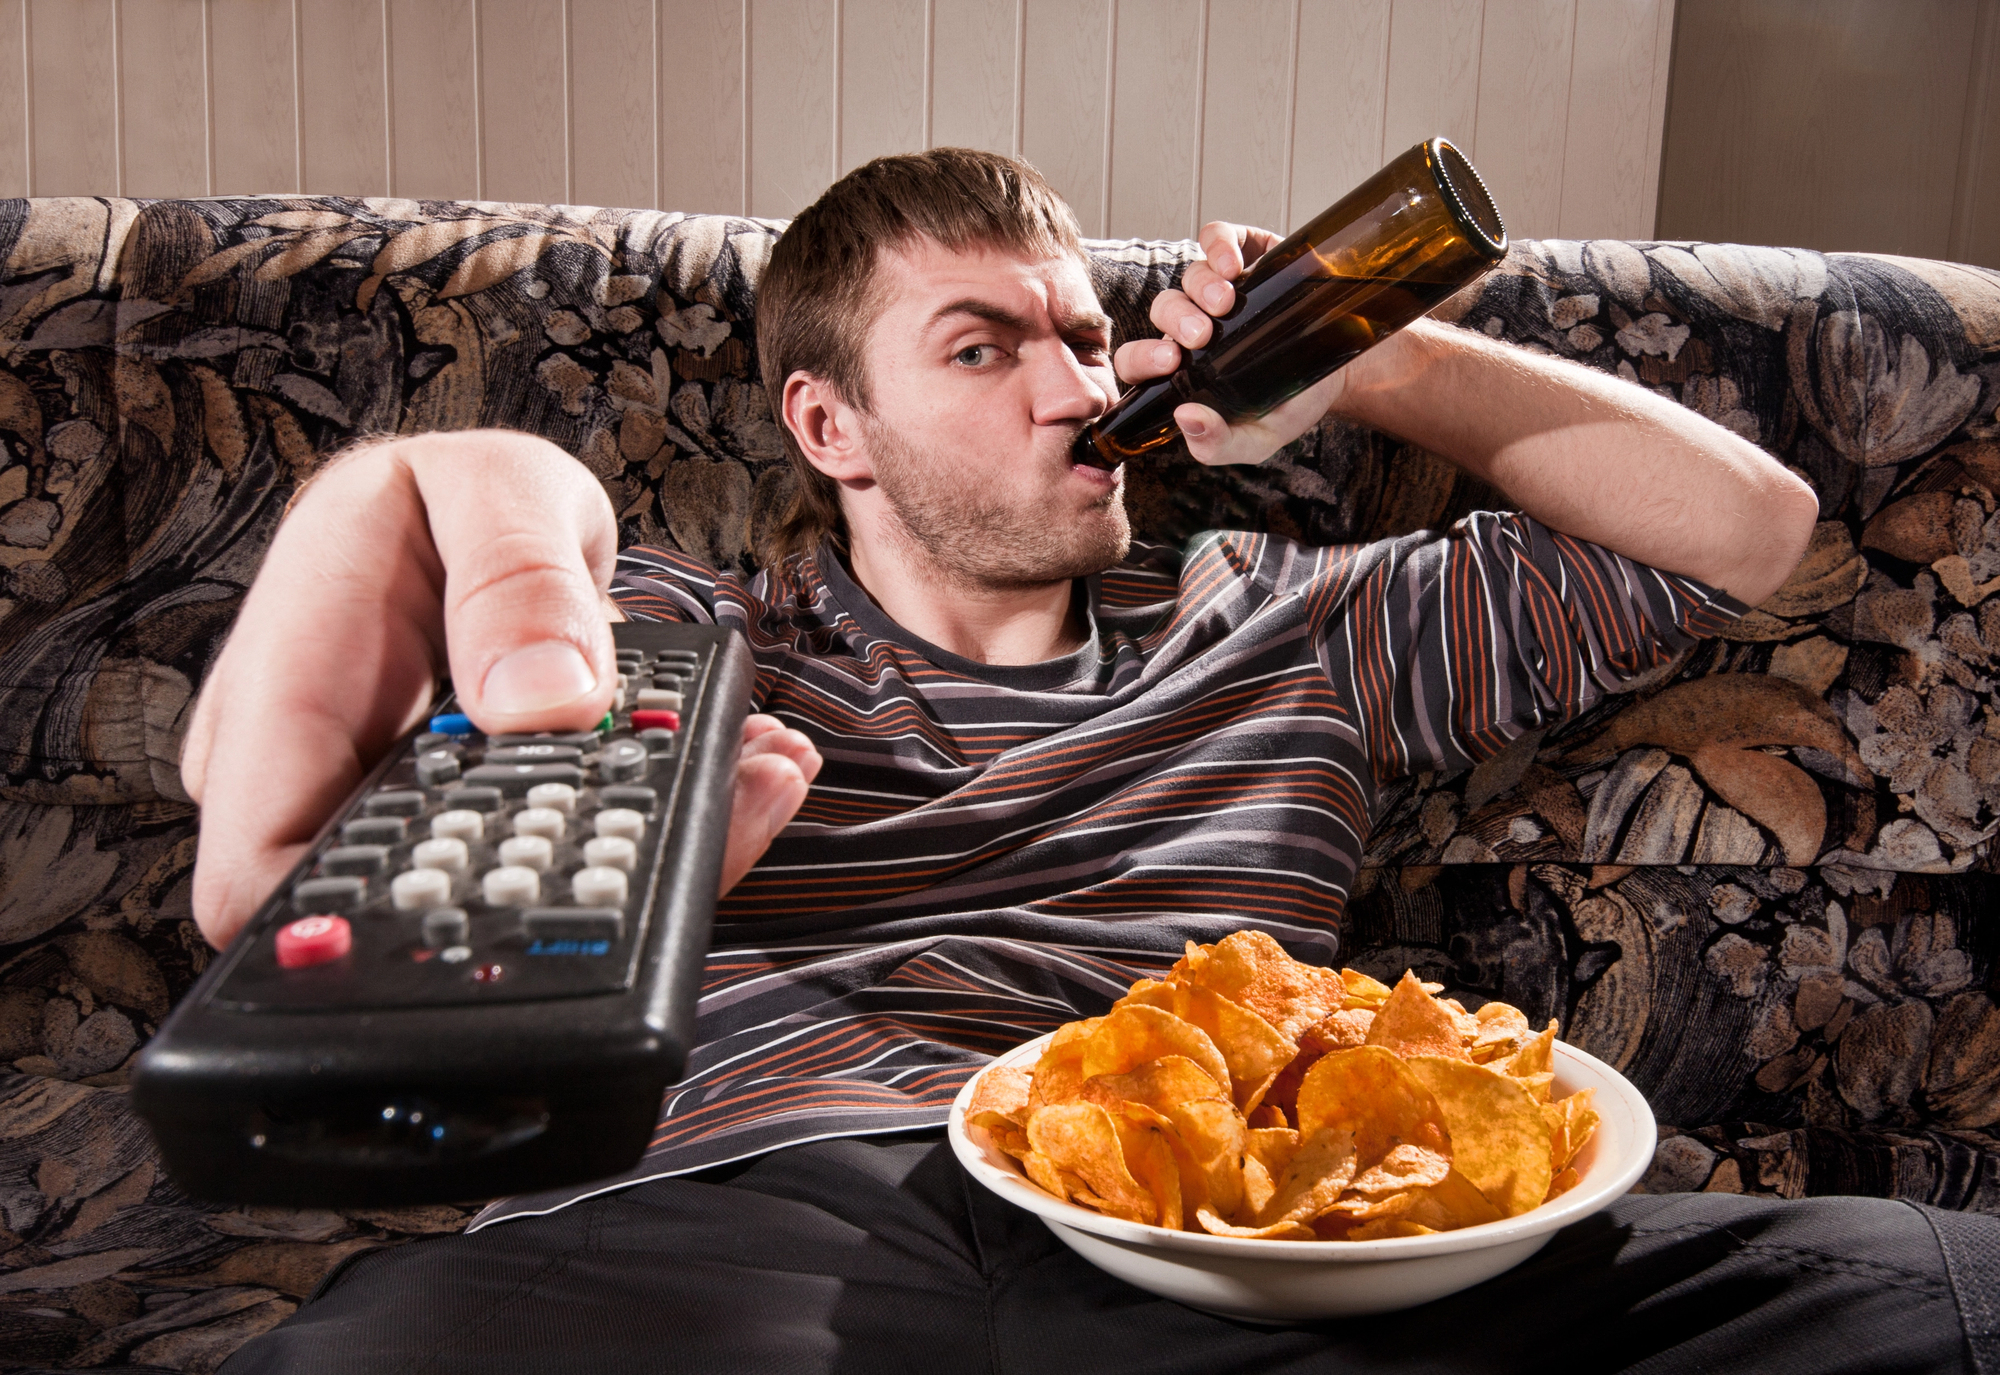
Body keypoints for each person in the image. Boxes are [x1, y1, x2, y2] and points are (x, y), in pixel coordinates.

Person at [193, 150, 1986, 1373]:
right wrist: (418, 536)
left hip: (1250, 1264)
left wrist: (1366, 355)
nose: (1070, 388)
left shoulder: (1280, 621)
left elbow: (1742, 539)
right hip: (748, 1224)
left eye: (1073, 330)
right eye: (979, 350)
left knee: (1931, 1292)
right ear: (833, 426)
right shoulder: (683, 630)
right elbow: (414, 840)